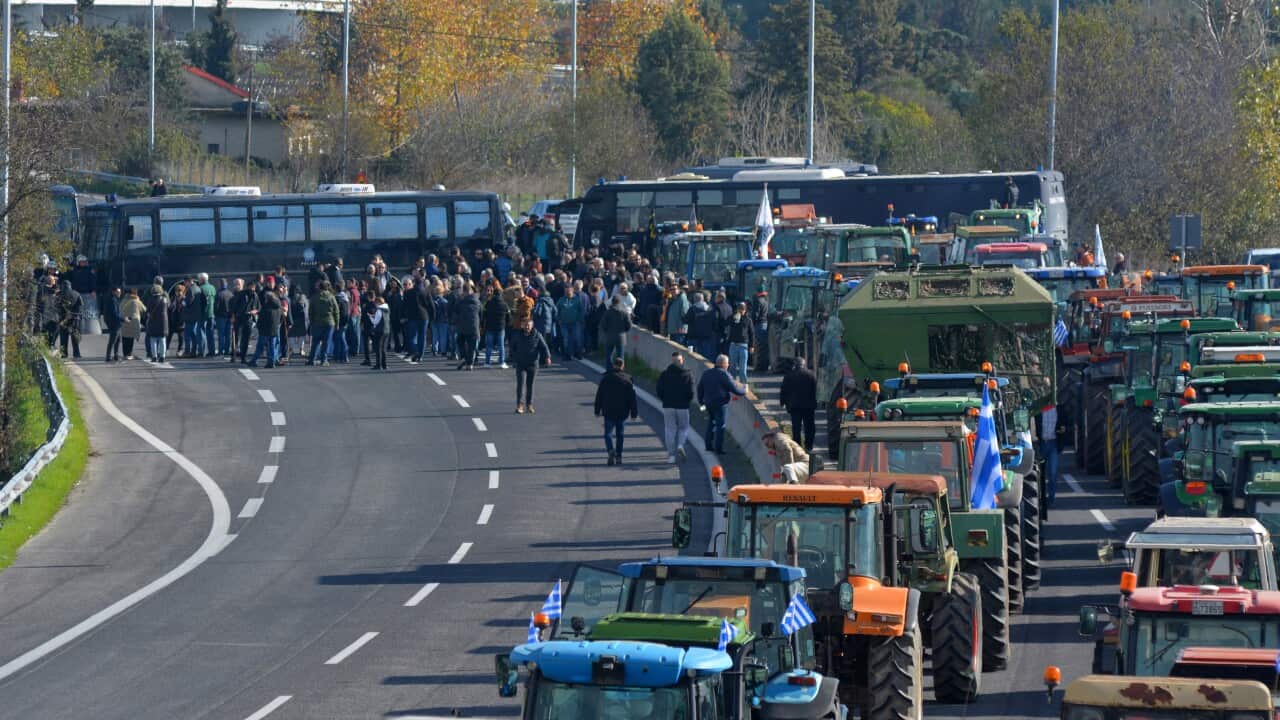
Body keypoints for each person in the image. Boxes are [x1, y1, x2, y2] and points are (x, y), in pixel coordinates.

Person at [594, 356, 638, 466]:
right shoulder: (628, 379)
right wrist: (634, 413)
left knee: (608, 433)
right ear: (622, 366)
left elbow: (599, 395)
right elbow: (632, 398)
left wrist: (597, 410)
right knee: (620, 435)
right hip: (622, 412)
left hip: (608, 410)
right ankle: (619, 456)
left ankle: (610, 450)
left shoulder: (606, 378)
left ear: (614, 365)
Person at [697, 354, 746, 454]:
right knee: (721, 425)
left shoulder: (707, 373)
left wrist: (701, 402)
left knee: (711, 423)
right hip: (720, 404)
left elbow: (699, 389)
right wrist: (744, 391)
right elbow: (735, 389)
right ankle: (718, 448)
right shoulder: (724, 374)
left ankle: (708, 445)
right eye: (727, 363)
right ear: (723, 364)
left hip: (708, 403)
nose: (728, 365)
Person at [656, 351, 694, 464]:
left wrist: (664, 399)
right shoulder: (688, 374)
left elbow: (659, 389)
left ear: (672, 362)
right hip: (682, 406)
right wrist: (687, 401)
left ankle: (671, 455)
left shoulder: (665, 374)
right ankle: (680, 445)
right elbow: (691, 392)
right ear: (681, 361)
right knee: (684, 428)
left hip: (668, 406)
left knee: (669, 430)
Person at [510, 318, 552, 413]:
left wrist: (547, 357)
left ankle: (529, 405)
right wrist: (515, 358)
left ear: (532, 325)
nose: (527, 327)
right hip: (520, 363)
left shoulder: (537, 335)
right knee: (520, 384)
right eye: (525, 325)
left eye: (529, 325)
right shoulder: (517, 335)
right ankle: (519, 405)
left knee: (530, 385)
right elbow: (512, 347)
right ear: (521, 325)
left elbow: (544, 347)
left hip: (532, 364)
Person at [780, 357, 818, 452]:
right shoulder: (811, 375)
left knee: (796, 428)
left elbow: (783, 391)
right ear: (804, 365)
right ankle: (809, 446)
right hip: (809, 407)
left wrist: (783, 402)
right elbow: (816, 390)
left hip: (794, 407)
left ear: (795, 365)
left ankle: (798, 447)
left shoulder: (789, 375)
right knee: (809, 427)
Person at [249, 285, 282, 368]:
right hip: (274, 329)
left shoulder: (266, 308)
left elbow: (261, 321)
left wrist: (259, 327)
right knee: (272, 347)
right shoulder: (278, 307)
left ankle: (254, 360)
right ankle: (271, 362)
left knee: (260, 346)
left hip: (265, 331)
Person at [308, 281, 340, 366]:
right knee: (326, 342)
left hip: (317, 322)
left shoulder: (314, 297)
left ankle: (311, 359)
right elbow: (336, 311)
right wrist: (337, 324)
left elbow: (310, 311)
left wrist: (312, 322)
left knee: (315, 342)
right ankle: (324, 360)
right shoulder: (331, 297)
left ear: (319, 287)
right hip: (329, 322)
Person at [453, 284, 482, 370]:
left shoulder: (461, 301)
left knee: (460, 342)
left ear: (464, 291)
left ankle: (463, 357)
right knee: (472, 346)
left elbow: (455, 310)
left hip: (462, 326)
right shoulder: (477, 301)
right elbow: (481, 314)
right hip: (474, 325)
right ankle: (470, 364)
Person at [724, 302, 754, 385]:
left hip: (743, 346)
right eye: (740, 309)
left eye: (743, 309)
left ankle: (744, 385)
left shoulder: (748, 320)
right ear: (737, 309)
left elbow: (751, 333)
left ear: (745, 310)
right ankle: (732, 385)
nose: (741, 311)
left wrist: (751, 346)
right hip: (733, 345)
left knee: (743, 368)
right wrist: (733, 318)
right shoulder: (733, 318)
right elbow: (726, 323)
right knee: (732, 367)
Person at [231, 279, 259, 363]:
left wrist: (255, 311)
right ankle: (234, 355)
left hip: (249, 319)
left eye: (253, 288)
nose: (252, 289)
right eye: (251, 287)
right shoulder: (241, 294)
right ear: (247, 287)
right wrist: (232, 316)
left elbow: (259, 307)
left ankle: (243, 357)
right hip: (239, 318)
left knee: (246, 339)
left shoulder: (255, 296)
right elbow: (233, 306)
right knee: (236, 337)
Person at [684, 292, 717, 360]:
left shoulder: (692, 309)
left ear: (694, 299)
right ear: (703, 299)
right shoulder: (710, 309)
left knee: (691, 357)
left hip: (694, 336)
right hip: (706, 336)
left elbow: (686, 320)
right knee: (705, 357)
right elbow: (714, 322)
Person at [1040, 404, 1061, 508]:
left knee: (1052, 473)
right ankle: (1040, 497)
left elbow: (1064, 424)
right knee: (1040, 473)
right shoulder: (1038, 410)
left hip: (1053, 443)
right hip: (1041, 444)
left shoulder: (1059, 409)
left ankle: (1051, 499)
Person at [483, 285, 510, 368]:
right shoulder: (504, 304)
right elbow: (508, 316)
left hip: (490, 326)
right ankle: (502, 362)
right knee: (501, 346)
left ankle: (487, 363)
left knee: (489, 346)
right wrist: (506, 324)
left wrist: (483, 324)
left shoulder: (488, 303)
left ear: (493, 294)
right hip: (500, 327)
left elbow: (484, 314)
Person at [600, 295, 632, 364]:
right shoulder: (625, 313)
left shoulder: (608, 312)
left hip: (610, 336)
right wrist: (624, 331)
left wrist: (607, 332)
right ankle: (619, 371)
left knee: (609, 355)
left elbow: (603, 325)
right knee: (620, 356)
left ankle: (609, 371)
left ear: (612, 302)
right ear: (620, 302)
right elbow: (629, 325)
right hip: (621, 336)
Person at [556, 284, 585, 360]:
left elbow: (581, 310)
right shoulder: (561, 299)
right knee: (566, 339)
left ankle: (577, 353)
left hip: (575, 323)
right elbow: (557, 310)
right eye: (566, 291)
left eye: (569, 291)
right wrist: (558, 319)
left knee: (577, 338)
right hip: (564, 323)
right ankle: (567, 355)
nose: (567, 293)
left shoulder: (577, 299)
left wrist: (580, 320)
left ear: (572, 290)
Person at [58, 280, 83, 359]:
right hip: (75, 318)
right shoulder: (76, 294)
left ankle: (64, 354)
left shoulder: (59, 295)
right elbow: (81, 305)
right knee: (75, 337)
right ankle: (77, 353)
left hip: (63, 318)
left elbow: (56, 306)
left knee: (63, 337)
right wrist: (78, 316)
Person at [145, 283, 170, 363]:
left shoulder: (150, 300)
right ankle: (162, 356)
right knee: (162, 340)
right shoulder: (164, 300)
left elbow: (147, 311)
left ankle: (154, 356)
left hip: (153, 322)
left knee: (153, 340)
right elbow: (168, 307)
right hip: (163, 323)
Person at [365, 292, 390, 370]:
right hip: (387, 330)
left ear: (378, 303)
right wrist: (374, 316)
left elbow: (375, 322)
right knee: (384, 348)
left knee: (378, 348)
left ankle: (378, 365)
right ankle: (384, 364)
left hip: (380, 330)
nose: (375, 305)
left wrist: (370, 317)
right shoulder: (387, 309)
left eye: (376, 303)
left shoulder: (379, 310)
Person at [119, 288, 144, 360]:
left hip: (124, 322)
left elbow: (120, 309)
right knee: (131, 338)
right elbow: (144, 309)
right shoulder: (136, 300)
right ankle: (129, 354)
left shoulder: (123, 300)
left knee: (125, 338)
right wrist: (139, 300)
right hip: (133, 322)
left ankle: (125, 354)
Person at [102, 286, 123, 362]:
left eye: (120, 292)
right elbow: (114, 313)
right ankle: (108, 357)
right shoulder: (112, 300)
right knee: (113, 340)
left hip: (114, 322)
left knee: (117, 340)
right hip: (114, 323)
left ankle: (116, 355)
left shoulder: (113, 299)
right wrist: (123, 319)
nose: (119, 293)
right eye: (118, 292)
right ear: (113, 292)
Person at [214, 279, 234, 356]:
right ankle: (226, 350)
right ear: (226, 284)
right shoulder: (230, 294)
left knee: (221, 335)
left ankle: (220, 350)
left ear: (220, 284)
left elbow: (216, 307)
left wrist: (215, 314)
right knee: (228, 335)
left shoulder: (219, 294)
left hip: (220, 317)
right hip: (229, 316)